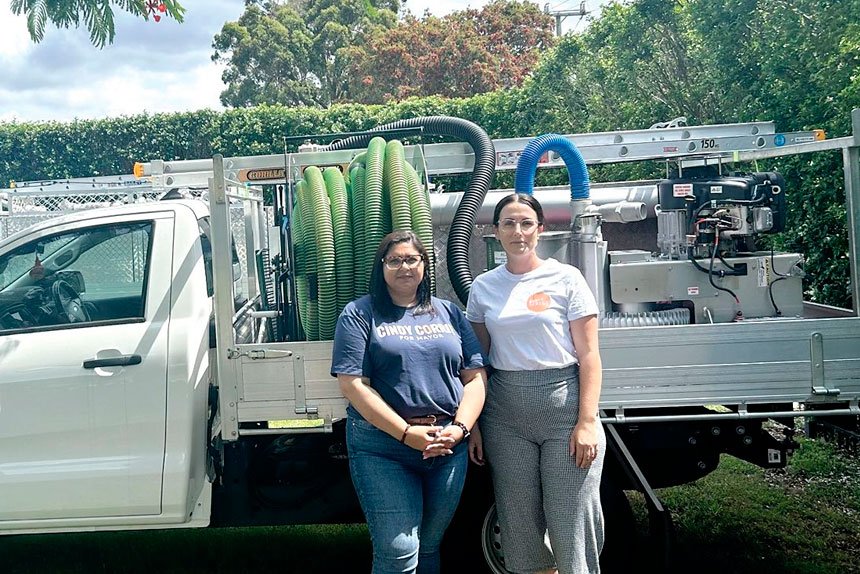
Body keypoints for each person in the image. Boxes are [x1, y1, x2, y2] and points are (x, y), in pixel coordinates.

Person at [331, 230, 487, 574]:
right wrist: (404, 433)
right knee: (399, 549)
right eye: (395, 260)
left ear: (425, 265)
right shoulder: (359, 314)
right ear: (381, 266)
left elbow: (475, 378)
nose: (405, 267)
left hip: (448, 446)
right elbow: (353, 385)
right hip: (383, 447)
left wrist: (461, 428)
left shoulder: (448, 312)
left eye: (412, 259)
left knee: (429, 546)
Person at [466, 193, 605, 574]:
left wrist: (587, 421)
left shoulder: (566, 278)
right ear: (495, 231)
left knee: (570, 524)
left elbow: (590, 355)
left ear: (540, 230)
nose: (518, 231)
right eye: (508, 223)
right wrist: (473, 422)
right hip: (505, 416)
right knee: (520, 529)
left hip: (564, 412)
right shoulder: (483, 287)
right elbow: (477, 363)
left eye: (526, 223)